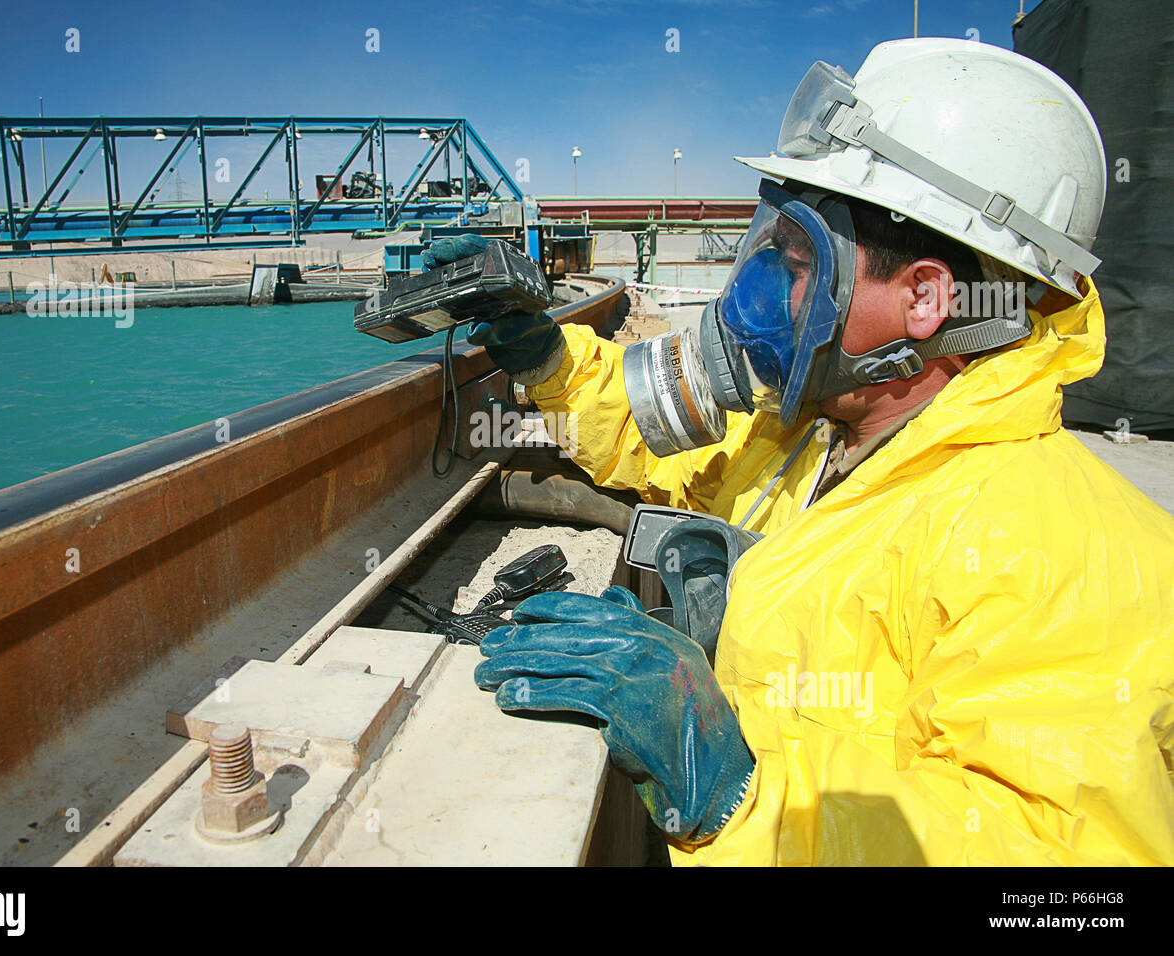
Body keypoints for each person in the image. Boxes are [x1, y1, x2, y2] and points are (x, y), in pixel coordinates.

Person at [438, 38, 1174, 865]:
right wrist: (550, 361)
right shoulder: (822, 436)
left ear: (926, 297)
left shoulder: (1067, 558)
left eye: (799, 264)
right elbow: (667, 453)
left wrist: (734, 790)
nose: (759, 296)